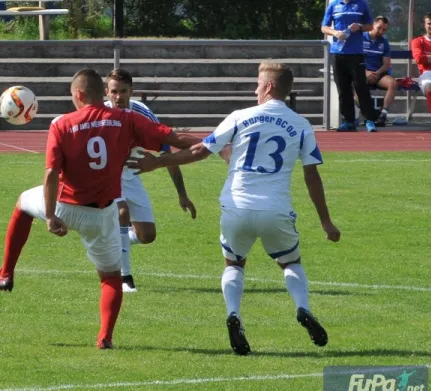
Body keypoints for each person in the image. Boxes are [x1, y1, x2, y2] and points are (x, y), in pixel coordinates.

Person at [127, 62, 341, 355]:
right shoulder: (302, 125)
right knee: (290, 263)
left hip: (236, 204)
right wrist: (326, 222)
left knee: (234, 264)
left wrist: (157, 162)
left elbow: (201, 150)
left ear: (268, 87)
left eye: (257, 84)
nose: (255, 89)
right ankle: (302, 308)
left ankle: (233, 314)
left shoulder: (240, 116)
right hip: (275, 208)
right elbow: (311, 176)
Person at [0, 68, 202, 350]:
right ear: (104, 94)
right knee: (110, 278)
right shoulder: (127, 119)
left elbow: (51, 174)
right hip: (101, 214)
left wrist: (50, 216)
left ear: (77, 94)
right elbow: (174, 139)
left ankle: (5, 274)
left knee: (23, 203)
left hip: (65, 205)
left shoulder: (62, 123)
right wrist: (213, 145)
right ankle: (105, 338)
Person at [104, 68, 196, 293]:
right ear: (106, 92)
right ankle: (124, 278)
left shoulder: (142, 112)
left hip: (132, 175)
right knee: (122, 213)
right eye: (114, 91)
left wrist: (181, 194)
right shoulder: (99, 113)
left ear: (131, 91)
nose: (119, 97)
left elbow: (167, 151)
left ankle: (113, 241)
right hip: (106, 176)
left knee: (147, 235)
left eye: (124, 91)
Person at [322, 0, 380, 132]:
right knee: (343, 89)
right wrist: (335, 33)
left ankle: (369, 120)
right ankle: (348, 121)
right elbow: (324, 27)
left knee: (361, 87)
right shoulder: (334, 5)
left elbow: (370, 26)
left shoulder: (362, 4)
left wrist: (359, 27)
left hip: (356, 53)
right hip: (337, 53)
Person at [359, 15, 398, 127]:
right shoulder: (360, 38)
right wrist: (366, 72)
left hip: (378, 73)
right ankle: (371, 113)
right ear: (373, 25)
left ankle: (383, 114)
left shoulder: (384, 42)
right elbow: (355, 60)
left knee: (393, 83)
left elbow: (386, 64)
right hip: (362, 72)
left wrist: (377, 73)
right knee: (356, 89)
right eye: (379, 28)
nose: (381, 31)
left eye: (384, 29)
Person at [411, 12, 431, 114]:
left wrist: (427, 58)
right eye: (429, 23)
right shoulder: (418, 41)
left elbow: (424, 58)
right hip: (426, 73)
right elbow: (419, 59)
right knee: (429, 86)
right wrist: (425, 59)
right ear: (425, 24)